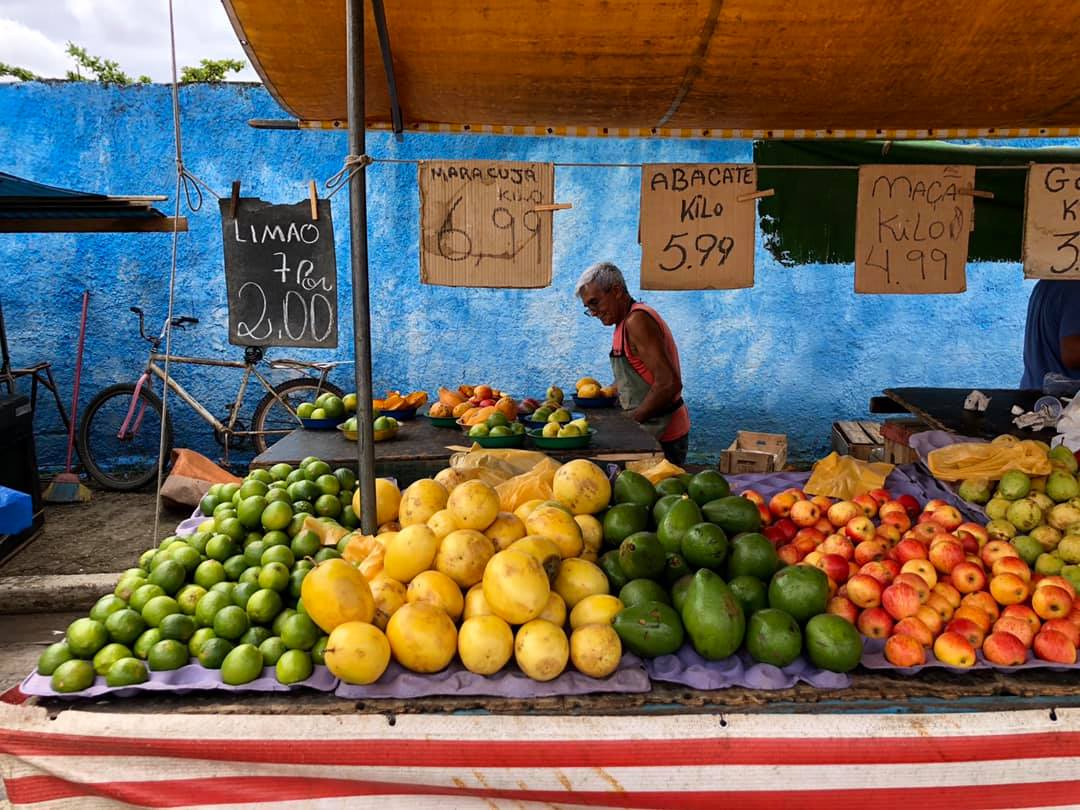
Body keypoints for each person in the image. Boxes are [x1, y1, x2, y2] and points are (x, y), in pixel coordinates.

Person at [576, 261, 690, 465]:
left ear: (617, 291)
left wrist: (631, 423)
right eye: (588, 308)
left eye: (595, 303)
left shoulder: (637, 321)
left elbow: (668, 384)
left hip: (663, 439)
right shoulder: (622, 322)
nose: (593, 313)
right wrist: (603, 394)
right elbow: (637, 374)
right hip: (649, 434)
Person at [1021, 280, 1080, 390]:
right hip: (1063, 400)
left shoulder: (1045, 283)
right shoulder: (1075, 288)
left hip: (1035, 392)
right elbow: (1072, 354)